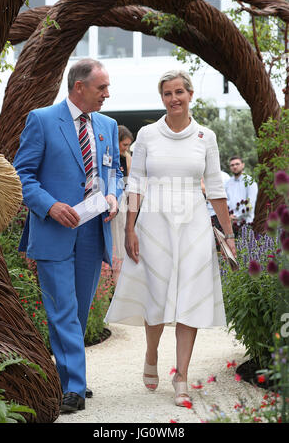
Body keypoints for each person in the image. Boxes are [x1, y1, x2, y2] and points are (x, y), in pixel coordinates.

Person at [105, 70, 236, 407]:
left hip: (193, 221)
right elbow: (135, 184)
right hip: (154, 222)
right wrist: (130, 227)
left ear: (190, 94)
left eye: (179, 91)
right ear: (162, 97)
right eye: (167, 93)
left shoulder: (206, 136)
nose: (174, 98)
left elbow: (217, 188)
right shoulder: (148, 134)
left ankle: (181, 377)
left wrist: (230, 235)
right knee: (158, 295)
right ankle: (151, 353)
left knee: (189, 298)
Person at [14, 58, 123, 413]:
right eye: (101, 88)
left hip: (94, 231)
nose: (107, 94)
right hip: (54, 232)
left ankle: (67, 378)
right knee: (61, 310)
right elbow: (23, 176)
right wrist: (50, 206)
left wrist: (113, 196)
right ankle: (75, 387)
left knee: (75, 311)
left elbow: (116, 173)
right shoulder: (42, 120)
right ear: (80, 87)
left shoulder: (107, 124)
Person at [111, 125, 133, 261]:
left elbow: (129, 181)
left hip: (122, 200)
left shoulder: (126, 158)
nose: (126, 148)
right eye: (124, 144)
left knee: (121, 234)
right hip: (110, 199)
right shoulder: (109, 156)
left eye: (128, 145)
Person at [225, 155, 258, 236]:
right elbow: (226, 201)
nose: (235, 167)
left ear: (243, 165)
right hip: (231, 223)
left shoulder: (250, 182)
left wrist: (236, 215)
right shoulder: (228, 183)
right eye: (232, 165)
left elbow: (250, 204)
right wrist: (228, 216)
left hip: (246, 222)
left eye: (237, 164)